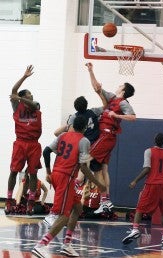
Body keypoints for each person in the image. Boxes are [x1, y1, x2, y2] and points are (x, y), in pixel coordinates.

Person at [32, 115, 106, 258]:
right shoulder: (84, 140)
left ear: (72, 125)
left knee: (77, 208)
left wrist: (48, 171)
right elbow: (84, 168)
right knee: (64, 215)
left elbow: (46, 151)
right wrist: (98, 183)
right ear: (85, 127)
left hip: (58, 175)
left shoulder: (63, 135)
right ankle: (41, 245)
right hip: (65, 178)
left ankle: (67, 245)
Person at [85, 62, 136, 214]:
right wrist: (91, 71)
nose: (118, 85)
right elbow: (97, 88)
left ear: (124, 89)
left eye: (121, 85)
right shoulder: (112, 98)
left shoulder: (123, 103)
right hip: (107, 137)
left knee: (85, 158)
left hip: (106, 135)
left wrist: (116, 115)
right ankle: (105, 201)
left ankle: (76, 185)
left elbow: (133, 117)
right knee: (102, 169)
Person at [122, 133, 163, 246]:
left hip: (152, 184)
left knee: (139, 208)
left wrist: (135, 180)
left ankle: (135, 230)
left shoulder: (148, 151)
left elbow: (147, 169)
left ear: (154, 140)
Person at [5, 65, 42, 215]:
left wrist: (19, 97)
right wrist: (24, 76)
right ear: (24, 96)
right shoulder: (16, 106)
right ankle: (8, 201)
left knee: (33, 174)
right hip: (20, 142)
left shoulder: (36, 105)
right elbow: (14, 91)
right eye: (29, 94)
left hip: (33, 144)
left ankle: (30, 203)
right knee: (14, 171)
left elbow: (28, 102)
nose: (32, 96)